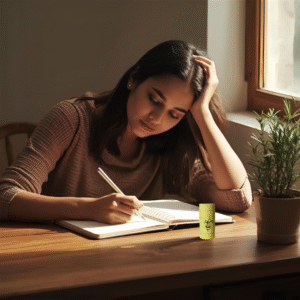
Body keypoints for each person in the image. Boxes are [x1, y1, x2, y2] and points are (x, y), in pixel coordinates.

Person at [0, 40, 252, 224]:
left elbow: (237, 199)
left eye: (175, 114)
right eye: (154, 99)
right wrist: (88, 208)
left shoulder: (172, 142)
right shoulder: (71, 119)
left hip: (128, 261)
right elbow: (5, 196)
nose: (157, 119)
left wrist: (202, 113)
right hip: (57, 260)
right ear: (133, 78)